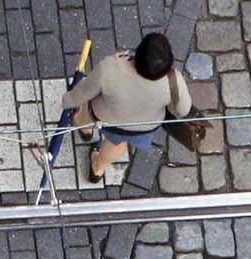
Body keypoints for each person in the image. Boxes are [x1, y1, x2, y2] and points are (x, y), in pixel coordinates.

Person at [60, 32, 192, 183]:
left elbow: (84, 92)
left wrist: (67, 101)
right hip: (140, 127)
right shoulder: (174, 81)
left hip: (103, 115)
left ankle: (85, 129)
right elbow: (183, 110)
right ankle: (97, 169)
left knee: (87, 107)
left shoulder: (110, 68)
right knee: (117, 144)